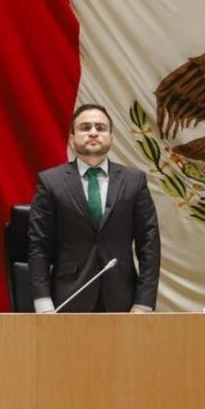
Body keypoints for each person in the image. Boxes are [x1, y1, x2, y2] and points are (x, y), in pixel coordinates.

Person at [27, 103, 160, 312]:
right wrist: (42, 300)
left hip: (123, 298)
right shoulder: (51, 182)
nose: (93, 133)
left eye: (100, 128)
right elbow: (39, 245)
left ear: (111, 138)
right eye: (85, 127)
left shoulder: (134, 181)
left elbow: (149, 243)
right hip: (68, 297)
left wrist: (144, 301)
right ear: (71, 140)